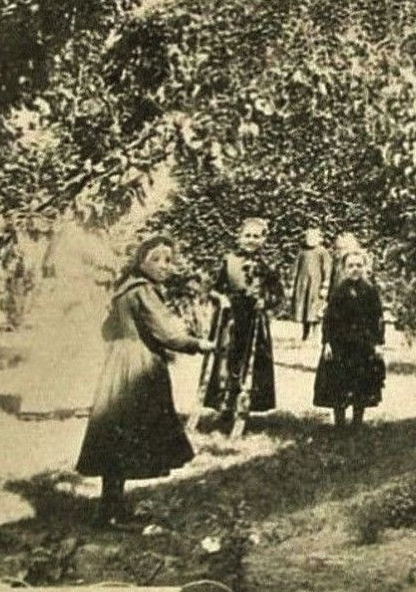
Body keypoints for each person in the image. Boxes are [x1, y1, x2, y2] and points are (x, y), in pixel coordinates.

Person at [75, 236, 214, 528]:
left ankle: (111, 509)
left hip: (118, 365)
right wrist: (198, 344)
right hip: (139, 368)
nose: (165, 266)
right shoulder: (144, 292)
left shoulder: (123, 290)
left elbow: (107, 330)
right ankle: (111, 515)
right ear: (141, 262)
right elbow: (167, 333)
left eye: (169, 260)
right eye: (157, 260)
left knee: (117, 436)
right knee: (129, 435)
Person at [200, 217, 282, 431]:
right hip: (231, 319)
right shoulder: (229, 261)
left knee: (251, 362)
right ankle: (224, 407)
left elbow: (278, 294)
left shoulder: (268, 266)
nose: (251, 240)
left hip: (255, 319)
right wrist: (222, 299)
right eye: (247, 235)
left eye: (256, 236)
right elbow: (213, 289)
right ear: (239, 237)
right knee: (228, 362)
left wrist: (267, 301)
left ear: (263, 239)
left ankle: (244, 409)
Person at [313, 249, 386, 428]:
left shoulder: (370, 291)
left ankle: (357, 422)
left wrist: (378, 343)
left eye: (359, 265)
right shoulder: (338, 291)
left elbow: (378, 320)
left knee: (362, 381)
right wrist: (327, 343)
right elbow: (329, 320)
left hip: (363, 344)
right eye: (351, 266)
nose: (355, 269)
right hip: (341, 344)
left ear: (365, 267)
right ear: (344, 268)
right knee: (338, 381)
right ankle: (339, 421)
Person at [289, 227, 332, 342]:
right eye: (308, 237)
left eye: (313, 237)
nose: (310, 239)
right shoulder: (302, 252)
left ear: (319, 238)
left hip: (316, 285)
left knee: (315, 309)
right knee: (304, 309)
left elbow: (327, 269)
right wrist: (292, 282)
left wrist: (325, 285)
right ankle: (305, 333)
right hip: (303, 284)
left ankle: (315, 334)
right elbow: (295, 268)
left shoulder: (322, 252)